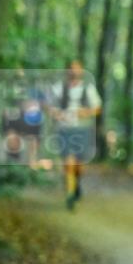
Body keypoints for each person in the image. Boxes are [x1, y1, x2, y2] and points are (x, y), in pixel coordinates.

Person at [51, 60, 101, 210]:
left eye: (77, 69)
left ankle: (76, 183)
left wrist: (86, 112)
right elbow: (50, 106)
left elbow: (97, 108)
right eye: (71, 69)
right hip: (65, 129)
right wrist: (57, 114)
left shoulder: (88, 89)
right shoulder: (59, 88)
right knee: (68, 161)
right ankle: (70, 194)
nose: (74, 72)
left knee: (78, 164)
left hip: (82, 129)